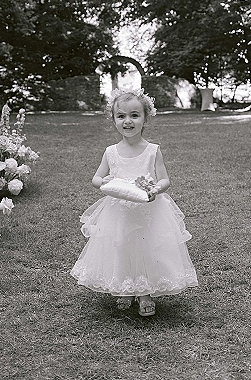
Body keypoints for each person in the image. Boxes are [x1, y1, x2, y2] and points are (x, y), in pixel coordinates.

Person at [70, 88, 198, 317]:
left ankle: (145, 293)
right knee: (121, 247)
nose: (127, 121)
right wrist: (104, 182)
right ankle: (125, 288)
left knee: (147, 248)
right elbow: (96, 178)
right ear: (114, 120)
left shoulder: (152, 151)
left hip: (148, 210)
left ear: (145, 118)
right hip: (118, 211)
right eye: (121, 116)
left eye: (134, 115)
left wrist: (156, 189)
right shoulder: (111, 152)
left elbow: (165, 179)